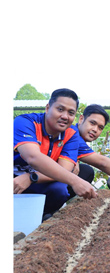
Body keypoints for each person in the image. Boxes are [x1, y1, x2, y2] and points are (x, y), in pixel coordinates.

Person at [13, 88, 98, 220]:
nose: (65, 116)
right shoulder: (26, 122)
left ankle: (45, 217)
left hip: (36, 179)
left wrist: (31, 178)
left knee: (60, 188)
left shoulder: (71, 133)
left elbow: (64, 169)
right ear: (48, 108)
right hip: (14, 178)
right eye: (60, 109)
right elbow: (32, 157)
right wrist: (76, 181)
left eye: (71, 113)